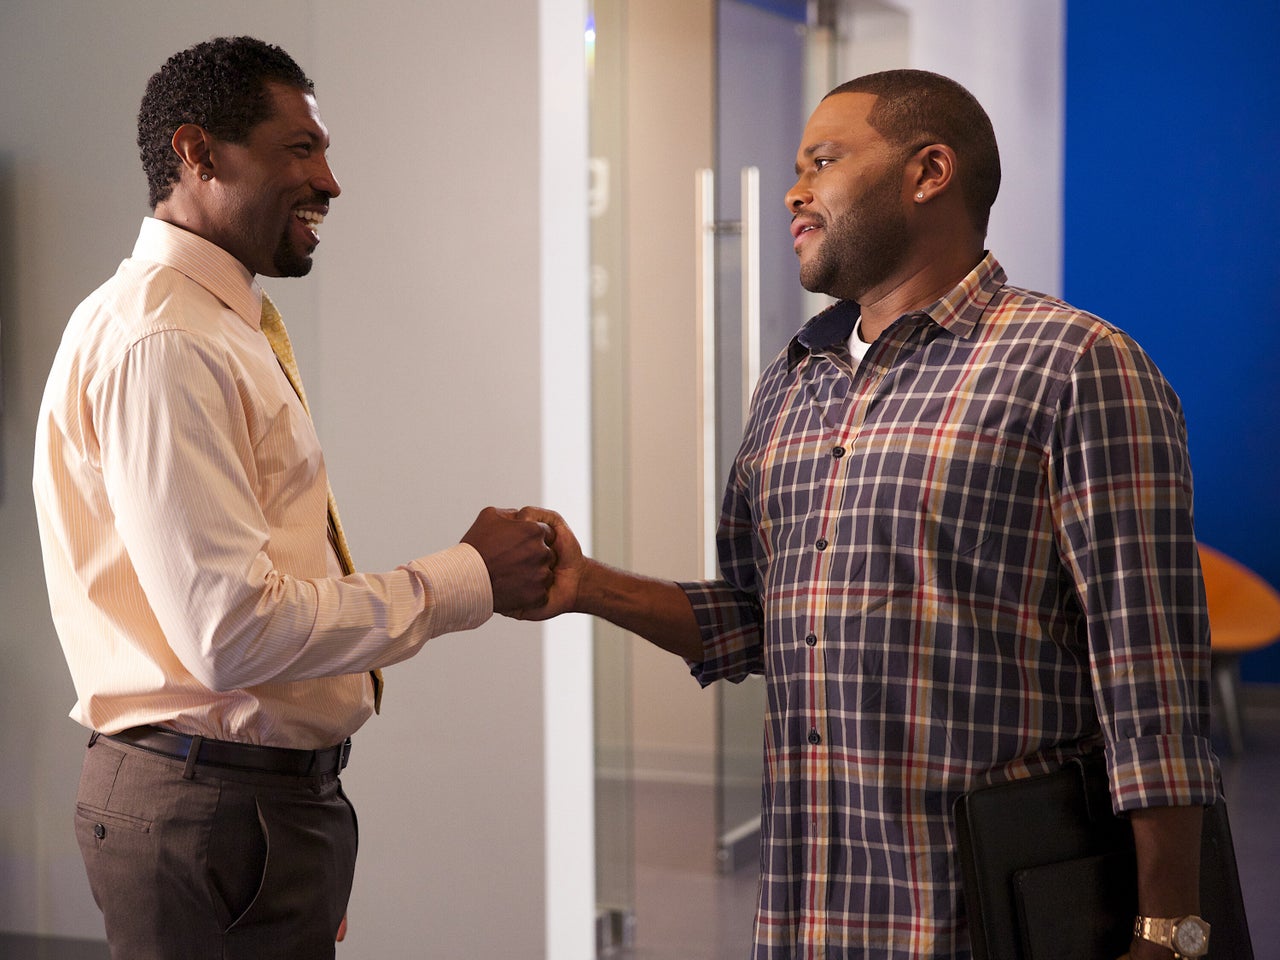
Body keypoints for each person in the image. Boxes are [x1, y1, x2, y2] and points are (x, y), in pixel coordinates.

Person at [523, 70, 1217, 959]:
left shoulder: (1078, 365)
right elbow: (756, 622)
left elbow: (1150, 670)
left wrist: (1170, 930)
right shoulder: (792, 378)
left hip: (985, 914)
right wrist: (587, 585)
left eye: (824, 159)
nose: (793, 190)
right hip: (810, 915)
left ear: (929, 172)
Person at [32, 36, 556, 959]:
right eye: (299, 149)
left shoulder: (211, 325)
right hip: (216, 809)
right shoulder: (168, 341)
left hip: (248, 807)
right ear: (197, 153)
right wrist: (465, 577)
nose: (331, 181)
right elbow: (230, 632)